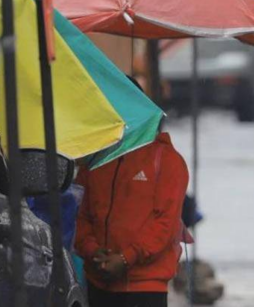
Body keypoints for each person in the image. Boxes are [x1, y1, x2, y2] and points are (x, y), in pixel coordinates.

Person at [75, 79, 189, 307]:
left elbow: (164, 224)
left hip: (145, 286)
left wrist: (126, 258)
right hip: (98, 281)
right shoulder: (96, 159)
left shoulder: (166, 160)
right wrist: (93, 251)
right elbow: (80, 212)